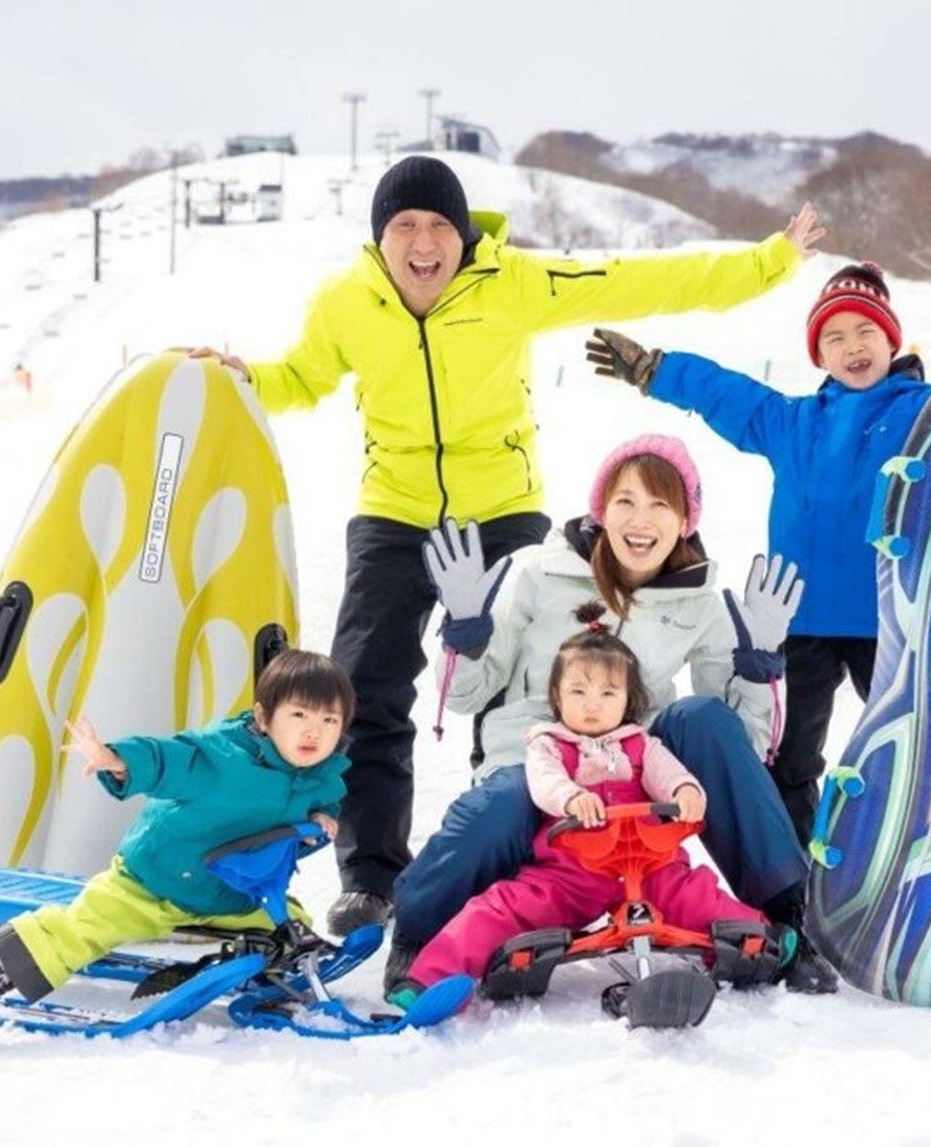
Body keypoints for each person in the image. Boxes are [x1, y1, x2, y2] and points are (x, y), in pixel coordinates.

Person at [189, 155, 825, 938]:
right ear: (381, 238)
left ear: (463, 235)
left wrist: (769, 262)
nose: (424, 243)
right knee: (366, 686)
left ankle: (532, 846)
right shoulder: (346, 302)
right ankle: (371, 878)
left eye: (439, 226)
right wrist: (244, 380)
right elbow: (301, 377)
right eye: (404, 227)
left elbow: (639, 280)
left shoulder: (512, 282)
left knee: (525, 687)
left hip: (500, 509)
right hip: (395, 511)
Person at [584, 262, 931, 842]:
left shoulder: (923, 412)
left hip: (892, 616)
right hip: (798, 619)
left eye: (865, 332)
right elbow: (727, 394)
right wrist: (656, 370)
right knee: (789, 757)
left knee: (921, 744)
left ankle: (926, 846)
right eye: (834, 338)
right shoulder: (794, 423)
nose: (852, 347)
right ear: (819, 356)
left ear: (892, 340)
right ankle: (793, 870)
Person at [389, 433, 840, 995]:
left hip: (629, 778)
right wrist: (466, 636)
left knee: (701, 717)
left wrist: (759, 668)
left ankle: (785, 917)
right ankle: (417, 934)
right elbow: (463, 696)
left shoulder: (699, 602)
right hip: (533, 765)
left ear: (685, 520)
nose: (640, 520)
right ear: (601, 509)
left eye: (660, 504)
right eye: (625, 500)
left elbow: (741, 747)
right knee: (501, 804)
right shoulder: (536, 572)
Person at [0, 650, 354, 1056]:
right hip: (151, 882)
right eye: (299, 714)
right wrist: (115, 759)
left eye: (329, 720)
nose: (313, 730)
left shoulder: (322, 778)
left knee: (289, 923)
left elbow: (309, 814)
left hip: (230, 896)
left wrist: (320, 820)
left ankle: (269, 973)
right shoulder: (222, 757)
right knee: (82, 928)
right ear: (263, 716)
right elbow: (166, 758)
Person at [391, 604, 798, 1005]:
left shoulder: (642, 744)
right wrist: (571, 798)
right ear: (557, 696)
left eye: (607, 693)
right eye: (578, 692)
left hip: (651, 865)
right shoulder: (550, 744)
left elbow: (670, 775)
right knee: (499, 908)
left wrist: (686, 793)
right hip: (572, 873)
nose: (592, 704)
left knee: (699, 897)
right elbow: (544, 782)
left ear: (628, 699)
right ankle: (430, 978)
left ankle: (761, 942)